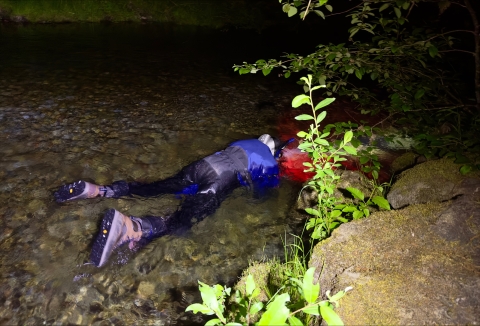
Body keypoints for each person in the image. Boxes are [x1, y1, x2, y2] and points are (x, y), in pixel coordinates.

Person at [54, 134, 293, 267]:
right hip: (220, 181)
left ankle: (102, 191)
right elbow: (263, 196)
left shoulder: (244, 142)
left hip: (202, 167)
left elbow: (225, 162)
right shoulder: (270, 163)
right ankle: (132, 227)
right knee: (181, 222)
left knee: (160, 187)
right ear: (274, 152)